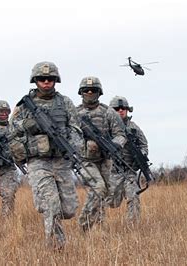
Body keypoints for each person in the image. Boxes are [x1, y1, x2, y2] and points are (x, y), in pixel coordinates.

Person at [9, 61, 80, 250]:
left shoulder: (65, 103)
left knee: (69, 209)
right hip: (38, 162)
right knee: (51, 205)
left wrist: (71, 146)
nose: (46, 82)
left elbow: (75, 128)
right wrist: (27, 125)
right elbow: (11, 131)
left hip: (61, 160)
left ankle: (45, 205)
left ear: (56, 80)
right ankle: (56, 248)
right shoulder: (24, 105)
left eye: (50, 79)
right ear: (35, 81)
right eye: (42, 79)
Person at [76, 76, 126, 232]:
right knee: (98, 187)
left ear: (99, 92)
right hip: (84, 160)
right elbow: (67, 136)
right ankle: (85, 224)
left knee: (106, 193)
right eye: (86, 90)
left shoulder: (108, 112)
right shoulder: (75, 114)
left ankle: (99, 225)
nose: (90, 93)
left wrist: (114, 145)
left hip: (105, 158)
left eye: (93, 90)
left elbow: (120, 134)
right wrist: (84, 145)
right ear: (81, 92)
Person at [108, 96, 149, 223]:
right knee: (111, 201)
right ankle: (97, 226)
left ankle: (133, 227)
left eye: (123, 108)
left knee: (133, 196)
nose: (120, 111)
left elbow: (144, 144)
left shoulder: (134, 128)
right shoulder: (106, 128)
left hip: (130, 171)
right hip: (112, 172)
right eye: (117, 109)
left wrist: (141, 155)